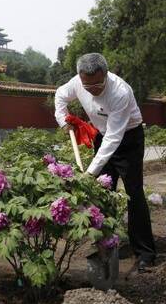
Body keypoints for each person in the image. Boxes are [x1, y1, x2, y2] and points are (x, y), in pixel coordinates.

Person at [54, 53, 156, 273]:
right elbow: (60, 96)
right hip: (102, 135)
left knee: (134, 193)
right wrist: (63, 121)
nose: (92, 89)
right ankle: (107, 244)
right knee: (101, 192)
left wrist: (89, 172)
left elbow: (114, 138)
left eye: (97, 84)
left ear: (106, 74)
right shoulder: (77, 83)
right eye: (87, 85)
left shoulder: (120, 92)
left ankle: (145, 252)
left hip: (127, 138)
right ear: (81, 78)